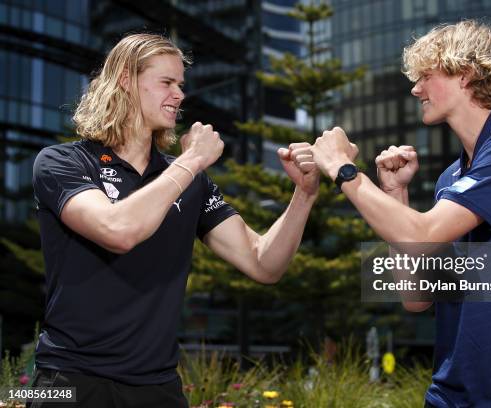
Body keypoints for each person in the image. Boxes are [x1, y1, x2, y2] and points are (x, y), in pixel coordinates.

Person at [29, 33, 318, 407]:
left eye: (180, 84)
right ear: (126, 80)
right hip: (66, 381)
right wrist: (191, 161)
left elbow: (264, 263)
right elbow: (117, 230)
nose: (179, 95)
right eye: (166, 82)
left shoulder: (188, 180)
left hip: (158, 387)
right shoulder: (61, 162)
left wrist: (305, 194)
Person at [309, 21, 491, 407]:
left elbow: (424, 232)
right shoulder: (451, 178)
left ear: (466, 74)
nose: (415, 88)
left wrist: (342, 168)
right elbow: (417, 297)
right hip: (453, 395)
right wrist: (395, 193)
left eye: (426, 75)